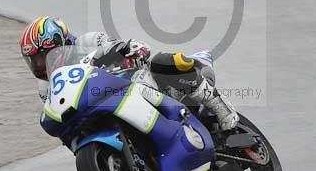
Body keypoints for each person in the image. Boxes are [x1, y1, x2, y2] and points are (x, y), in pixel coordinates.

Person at [19, 16, 240, 131]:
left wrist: (129, 49)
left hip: (131, 80)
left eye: (42, 57)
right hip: (101, 107)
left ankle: (219, 105)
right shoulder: (46, 87)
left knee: (160, 62)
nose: (39, 65)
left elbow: (114, 45)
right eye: (34, 61)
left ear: (60, 42)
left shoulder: (86, 42)